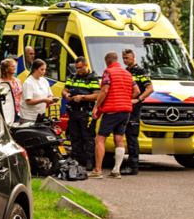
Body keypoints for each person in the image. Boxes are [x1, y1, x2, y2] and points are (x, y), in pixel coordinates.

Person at [90, 51, 134, 179]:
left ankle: (97, 170)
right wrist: (125, 99)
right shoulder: (127, 73)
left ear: (108, 61)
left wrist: (96, 106)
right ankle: (116, 170)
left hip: (112, 110)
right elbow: (136, 90)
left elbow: (104, 90)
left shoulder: (108, 72)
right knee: (119, 139)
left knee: (100, 139)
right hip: (125, 110)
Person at [62, 56, 100, 168]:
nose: (78, 70)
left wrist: (82, 97)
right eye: (76, 68)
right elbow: (64, 90)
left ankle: (89, 161)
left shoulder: (92, 78)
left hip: (85, 112)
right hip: (74, 111)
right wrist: (66, 95)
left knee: (87, 137)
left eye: (80, 68)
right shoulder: (72, 77)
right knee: (75, 137)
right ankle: (75, 160)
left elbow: (97, 95)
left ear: (85, 65)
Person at [122, 48, 154, 175]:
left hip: (135, 109)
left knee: (132, 137)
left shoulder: (140, 71)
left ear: (133, 57)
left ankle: (133, 165)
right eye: (123, 58)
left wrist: (138, 99)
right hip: (125, 107)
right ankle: (126, 163)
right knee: (125, 136)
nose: (125, 60)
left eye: (127, 58)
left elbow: (150, 88)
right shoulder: (125, 71)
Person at [0, 58, 22, 123]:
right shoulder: (1, 83)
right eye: (12, 66)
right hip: (7, 112)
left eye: (14, 66)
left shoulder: (17, 81)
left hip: (18, 111)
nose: (14, 68)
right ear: (6, 69)